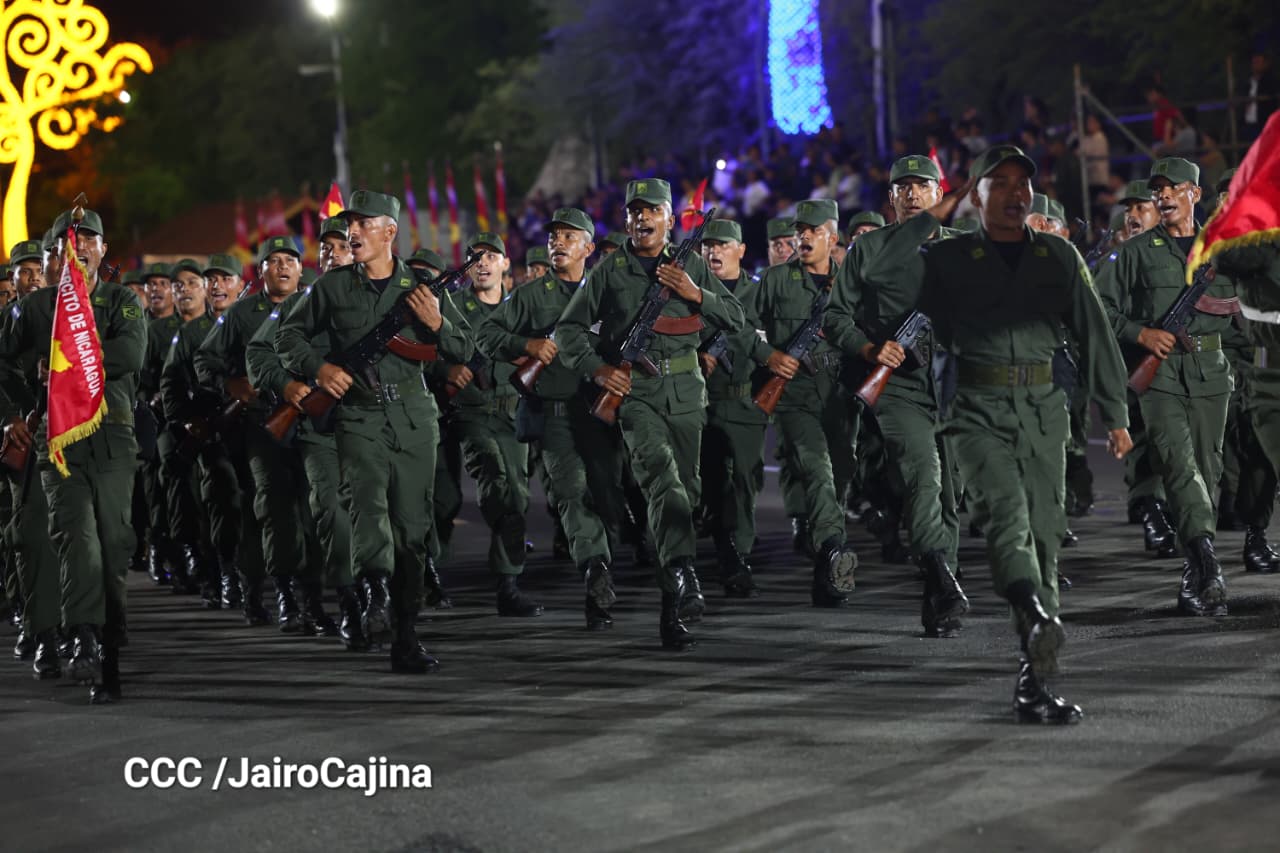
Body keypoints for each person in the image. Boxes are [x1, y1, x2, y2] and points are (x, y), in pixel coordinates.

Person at [919, 145, 1132, 723]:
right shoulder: (948, 258)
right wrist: (936, 211)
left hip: (1043, 411)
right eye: (1001, 182)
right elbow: (884, 273)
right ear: (976, 195)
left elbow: (1094, 332)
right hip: (977, 410)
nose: (1017, 192)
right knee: (1007, 519)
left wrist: (1115, 413)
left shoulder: (1057, 255)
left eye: (1024, 183)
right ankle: (1033, 610)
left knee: (1044, 537)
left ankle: (1035, 678)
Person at [276, 190, 475, 673]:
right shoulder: (333, 287)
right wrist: (320, 369)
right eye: (351, 225)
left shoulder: (422, 287)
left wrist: (438, 323)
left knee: (412, 529)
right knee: (367, 509)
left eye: (364, 224)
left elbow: (465, 349)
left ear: (390, 232)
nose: (353, 232)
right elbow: (287, 335)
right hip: (359, 415)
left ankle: (405, 633)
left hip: (414, 418)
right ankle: (375, 591)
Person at [558, 178, 746, 650]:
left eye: (652, 211)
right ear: (625, 220)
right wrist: (600, 370)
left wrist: (696, 293)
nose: (642, 218)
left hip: (687, 394)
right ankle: (683, 573)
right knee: (663, 481)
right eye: (634, 211)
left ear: (669, 219)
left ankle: (671, 604)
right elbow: (568, 331)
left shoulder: (691, 266)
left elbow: (735, 319)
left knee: (686, 494)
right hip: (636, 394)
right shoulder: (609, 270)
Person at [0, 207, 147, 704]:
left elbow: (130, 356)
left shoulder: (121, 301)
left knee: (113, 545)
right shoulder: (35, 308)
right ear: (56, 254)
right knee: (76, 540)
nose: (78, 246)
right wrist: (11, 413)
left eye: (88, 239)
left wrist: (69, 364)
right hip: (58, 444)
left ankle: (107, 640)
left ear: (103, 249)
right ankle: (83, 638)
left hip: (112, 437)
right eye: (68, 240)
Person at [827, 155, 968, 636]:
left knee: (950, 491)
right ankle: (943, 580)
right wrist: (870, 348)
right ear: (891, 198)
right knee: (923, 477)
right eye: (902, 187)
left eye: (922, 186)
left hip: (951, 384)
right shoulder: (869, 250)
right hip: (899, 386)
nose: (912, 194)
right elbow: (835, 316)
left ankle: (939, 590)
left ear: (938, 194)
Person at [1095, 157, 1238, 617]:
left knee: (1207, 471)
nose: (1163, 196)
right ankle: (1208, 563)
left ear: (1195, 194)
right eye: (1158, 189)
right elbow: (1098, 307)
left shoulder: (1223, 249)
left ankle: (1193, 571)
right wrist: (1140, 334)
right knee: (1178, 465)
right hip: (1160, 377)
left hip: (1211, 372)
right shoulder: (1136, 252)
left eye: (1173, 188)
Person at [477, 208, 631, 628]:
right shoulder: (530, 296)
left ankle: (600, 559)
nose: (558, 243)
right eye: (553, 237)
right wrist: (526, 345)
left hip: (602, 413)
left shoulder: (608, 293)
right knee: (571, 491)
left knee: (607, 497)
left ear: (588, 248)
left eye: (568, 236)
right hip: (557, 415)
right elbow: (486, 334)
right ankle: (595, 571)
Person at [196, 238, 336, 635]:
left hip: (313, 423)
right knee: (275, 509)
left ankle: (314, 599)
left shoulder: (317, 304)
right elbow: (205, 359)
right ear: (260, 272)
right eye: (273, 261)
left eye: (290, 260)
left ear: (301, 267)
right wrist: (232, 384)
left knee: (316, 509)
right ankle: (286, 595)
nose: (282, 267)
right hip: (265, 425)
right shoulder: (242, 313)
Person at [752, 198, 859, 607]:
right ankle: (833, 549)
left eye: (814, 231)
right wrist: (768, 356)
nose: (804, 238)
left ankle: (825, 552)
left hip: (839, 393)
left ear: (833, 238)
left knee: (842, 471)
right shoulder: (776, 280)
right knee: (817, 470)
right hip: (794, 395)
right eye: (800, 231)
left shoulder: (850, 281)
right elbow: (743, 328)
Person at [440, 232, 541, 617]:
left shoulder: (521, 308)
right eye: (475, 256)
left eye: (490, 255)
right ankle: (507, 578)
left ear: (505, 264)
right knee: (495, 480)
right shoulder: (453, 308)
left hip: (512, 413)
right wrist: (447, 370)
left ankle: (508, 584)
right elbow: (431, 351)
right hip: (473, 412)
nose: (482, 262)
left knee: (517, 495)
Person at [695, 218, 765, 598]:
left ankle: (739, 553)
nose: (714, 252)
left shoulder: (758, 294)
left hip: (743, 401)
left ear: (741, 250)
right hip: (701, 402)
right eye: (708, 246)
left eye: (723, 245)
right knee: (711, 482)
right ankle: (728, 552)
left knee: (745, 481)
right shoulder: (691, 291)